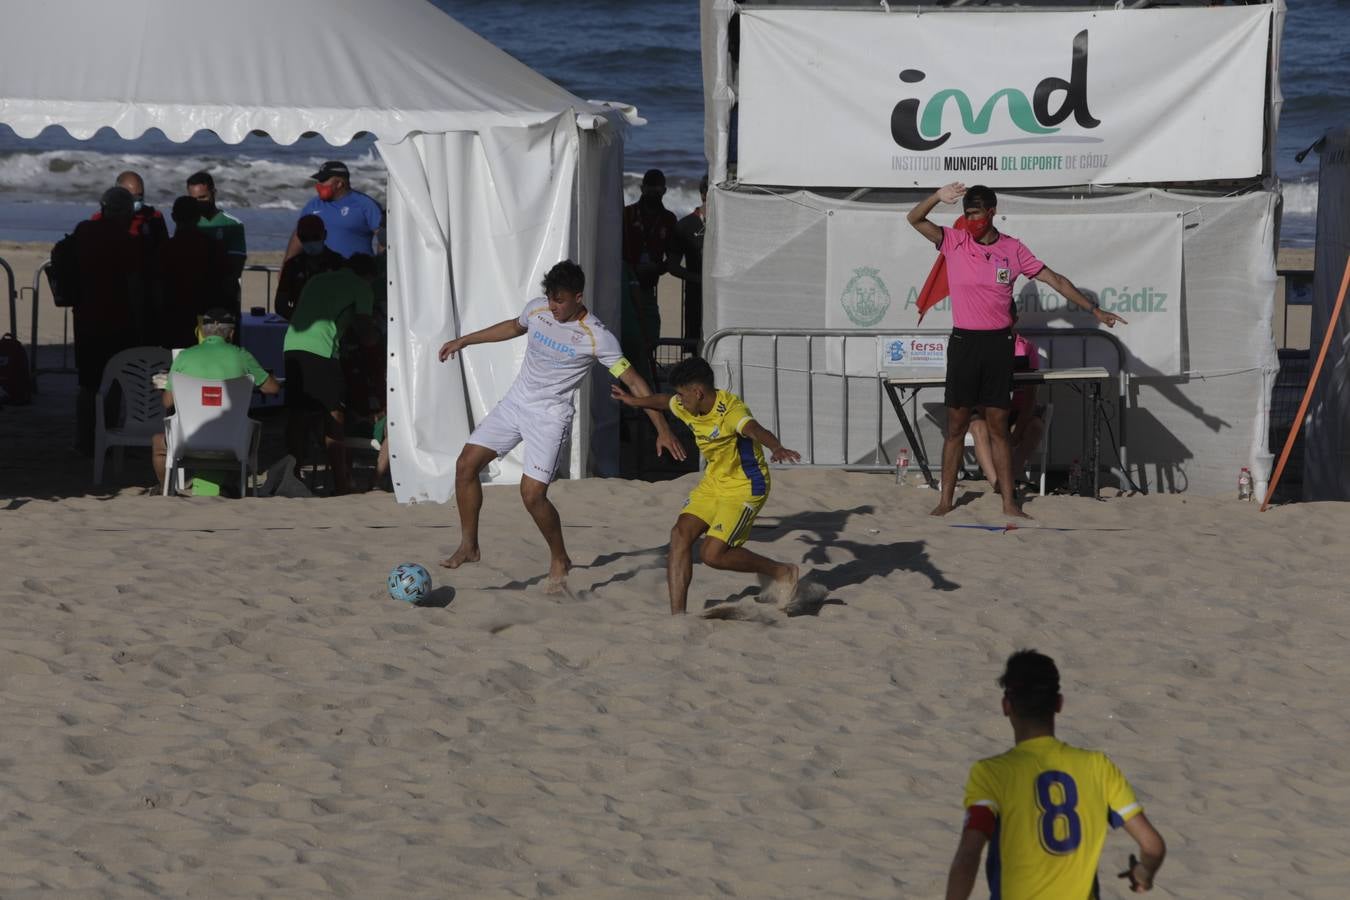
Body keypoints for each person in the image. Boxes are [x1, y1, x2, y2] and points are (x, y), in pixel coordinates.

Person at [437, 260, 685, 591]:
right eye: (550, 298)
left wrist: (663, 429)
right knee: (465, 465)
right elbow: (513, 326)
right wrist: (464, 340)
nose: (553, 307)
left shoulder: (597, 336)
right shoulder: (538, 309)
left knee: (532, 495)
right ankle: (470, 545)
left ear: (578, 297)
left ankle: (559, 556)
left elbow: (635, 381)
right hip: (515, 403)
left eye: (560, 300)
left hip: (550, 416)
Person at [907, 183, 1125, 518]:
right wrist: (937, 197)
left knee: (997, 426)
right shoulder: (955, 241)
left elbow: (1057, 281)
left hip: (998, 344)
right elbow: (914, 219)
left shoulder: (1012, 249)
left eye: (976, 213)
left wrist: (1095, 311)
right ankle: (945, 500)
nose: (971, 219)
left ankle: (1009, 502)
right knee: (956, 425)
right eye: (966, 213)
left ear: (992, 212)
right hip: (965, 342)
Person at [945, 649, 1166, 899]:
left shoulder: (990, 773)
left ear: (1006, 706)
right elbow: (1153, 846)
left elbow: (968, 854)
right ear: (1059, 704)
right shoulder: (1098, 767)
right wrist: (1144, 873)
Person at [611, 356, 802, 615]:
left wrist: (776, 447)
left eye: (682, 394)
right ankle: (677, 616)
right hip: (713, 482)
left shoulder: (732, 412)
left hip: (745, 486)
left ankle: (781, 571)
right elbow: (663, 402)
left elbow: (756, 429)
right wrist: (634, 401)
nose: (678, 400)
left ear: (698, 392)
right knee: (679, 535)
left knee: (712, 555)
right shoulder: (688, 405)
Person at [151, 308, 281, 493]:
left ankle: (166, 490)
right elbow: (272, 388)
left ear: (202, 332)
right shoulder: (242, 355)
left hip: (188, 439)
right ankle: (231, 485)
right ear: (232, 333)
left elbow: (167, 403)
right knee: (251, 429)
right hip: (233, 440)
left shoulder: (184, 357)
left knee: (158, 442)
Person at [283, 255, 377, 495]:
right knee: (333, 416)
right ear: (368, 275)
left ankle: (291, 476)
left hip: (291, 345)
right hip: (321, 351)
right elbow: (366, 331)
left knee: (298, 416)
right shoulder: (361, 286)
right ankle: (341, 483)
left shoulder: (317, 279)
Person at [71, 186, 142, 455]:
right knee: (113, 384)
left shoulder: (83, 230)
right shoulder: (125, 240)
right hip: (117, 320)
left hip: (85, 318)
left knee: (87, 385)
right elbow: (133, 284)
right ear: (123, 212)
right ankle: (106, 437)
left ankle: (83, 440)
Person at [968, 319, 1046, 493]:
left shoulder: (1026, 347)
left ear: (1015, 320)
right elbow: (977, 394)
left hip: (1016, 410)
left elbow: (1030, 395)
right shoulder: (982, 347)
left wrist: (1017, 432)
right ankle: (996, 483)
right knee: (978, 426)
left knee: (1036, 427)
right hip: (989, 408)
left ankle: (1008, 478)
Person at [91, 171, 169, 344]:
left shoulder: (154, 218)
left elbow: (164, 251)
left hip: (147, 293)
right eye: (131, 197)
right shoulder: (99, 220)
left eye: (140, 196)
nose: (137, 202)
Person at [157, 196, 232, 349]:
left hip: (172, 319)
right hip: (207, 320)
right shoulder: (214, 248)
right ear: (198, 217)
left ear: (173, 217)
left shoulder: (164, 249)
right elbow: (226, 286)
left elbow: (157, 288)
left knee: (174, 366)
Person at [621, 169, 677, 354]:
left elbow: (673, 257)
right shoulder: (627, 214)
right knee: (626, 336)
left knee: (650, 334)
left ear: (665, 191)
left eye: (657, 189)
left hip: (648, 286)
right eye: (650, 188)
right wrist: (631, 268)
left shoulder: (669, 219)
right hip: (626, 286)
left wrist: (658, 268)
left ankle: (645, 372)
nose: (653, 192)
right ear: (641, 188)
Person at [284, 161, 383, 262]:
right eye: (319, 181)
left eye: (323, 180)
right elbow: (298, 235)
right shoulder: (313, 204)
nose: (319, 185)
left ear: (339, 183)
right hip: (320, 272)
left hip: (356, 272)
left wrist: (380, 266)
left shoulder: (366, 204)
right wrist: (287, 264)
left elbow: (383, 237)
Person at [186, 171, 247, 298]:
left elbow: (236, 266)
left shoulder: (232, 224)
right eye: (194, 199)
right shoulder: (186, 224)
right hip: (192, 294)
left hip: (223, 294)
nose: (199, 203)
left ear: (214, 193)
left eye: (203, 197)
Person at [274, 214, 343, 319]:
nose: (310, 242)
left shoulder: (338, 263)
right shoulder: (292, 266)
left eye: (315, 237)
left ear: (324, 235)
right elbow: (280, 304)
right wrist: (300, 319)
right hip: (300, 324)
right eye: (305, 238)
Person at [670, 174, 708, 347]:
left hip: (724, 296)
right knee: (695, 343)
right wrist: (698, 279)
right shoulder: (685, 225)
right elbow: (672, 266)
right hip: (695, 295)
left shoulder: (730, 224)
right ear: (703, 195)